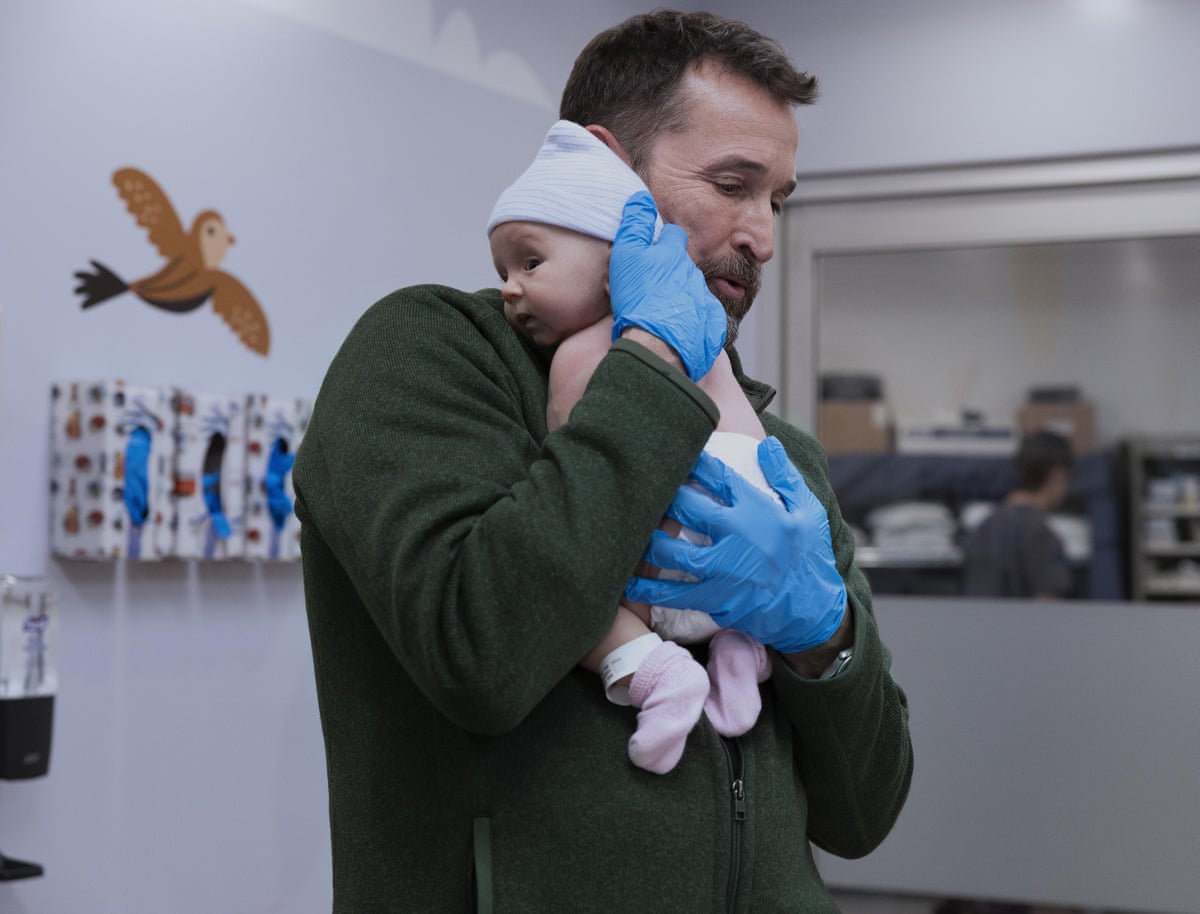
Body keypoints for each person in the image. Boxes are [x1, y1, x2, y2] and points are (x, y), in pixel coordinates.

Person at [294, 10, 913, 912]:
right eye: (732, 185)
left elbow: (865, 814)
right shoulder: (428, 353)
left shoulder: (781, 459)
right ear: (603, 166)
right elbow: (480, 654)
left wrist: (824, 635)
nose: (763, 237)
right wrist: (652, 360)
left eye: (776, 200)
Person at [487, 119, 778, 775]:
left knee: (597, 605)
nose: (510, 288)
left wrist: (833, 640)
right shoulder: (704, 341)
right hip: (738, 562)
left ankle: (653, 670)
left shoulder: (579, 356)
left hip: (668, 570)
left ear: (614, 252)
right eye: (503, 271)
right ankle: (739, 649)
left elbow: (578, 496)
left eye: (530, 263)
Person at [962, 430, 1075, 598]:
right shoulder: (1041, 535)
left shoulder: (983, 528)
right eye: (1069, 478)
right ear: (1057, 475)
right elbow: (1048, 606)